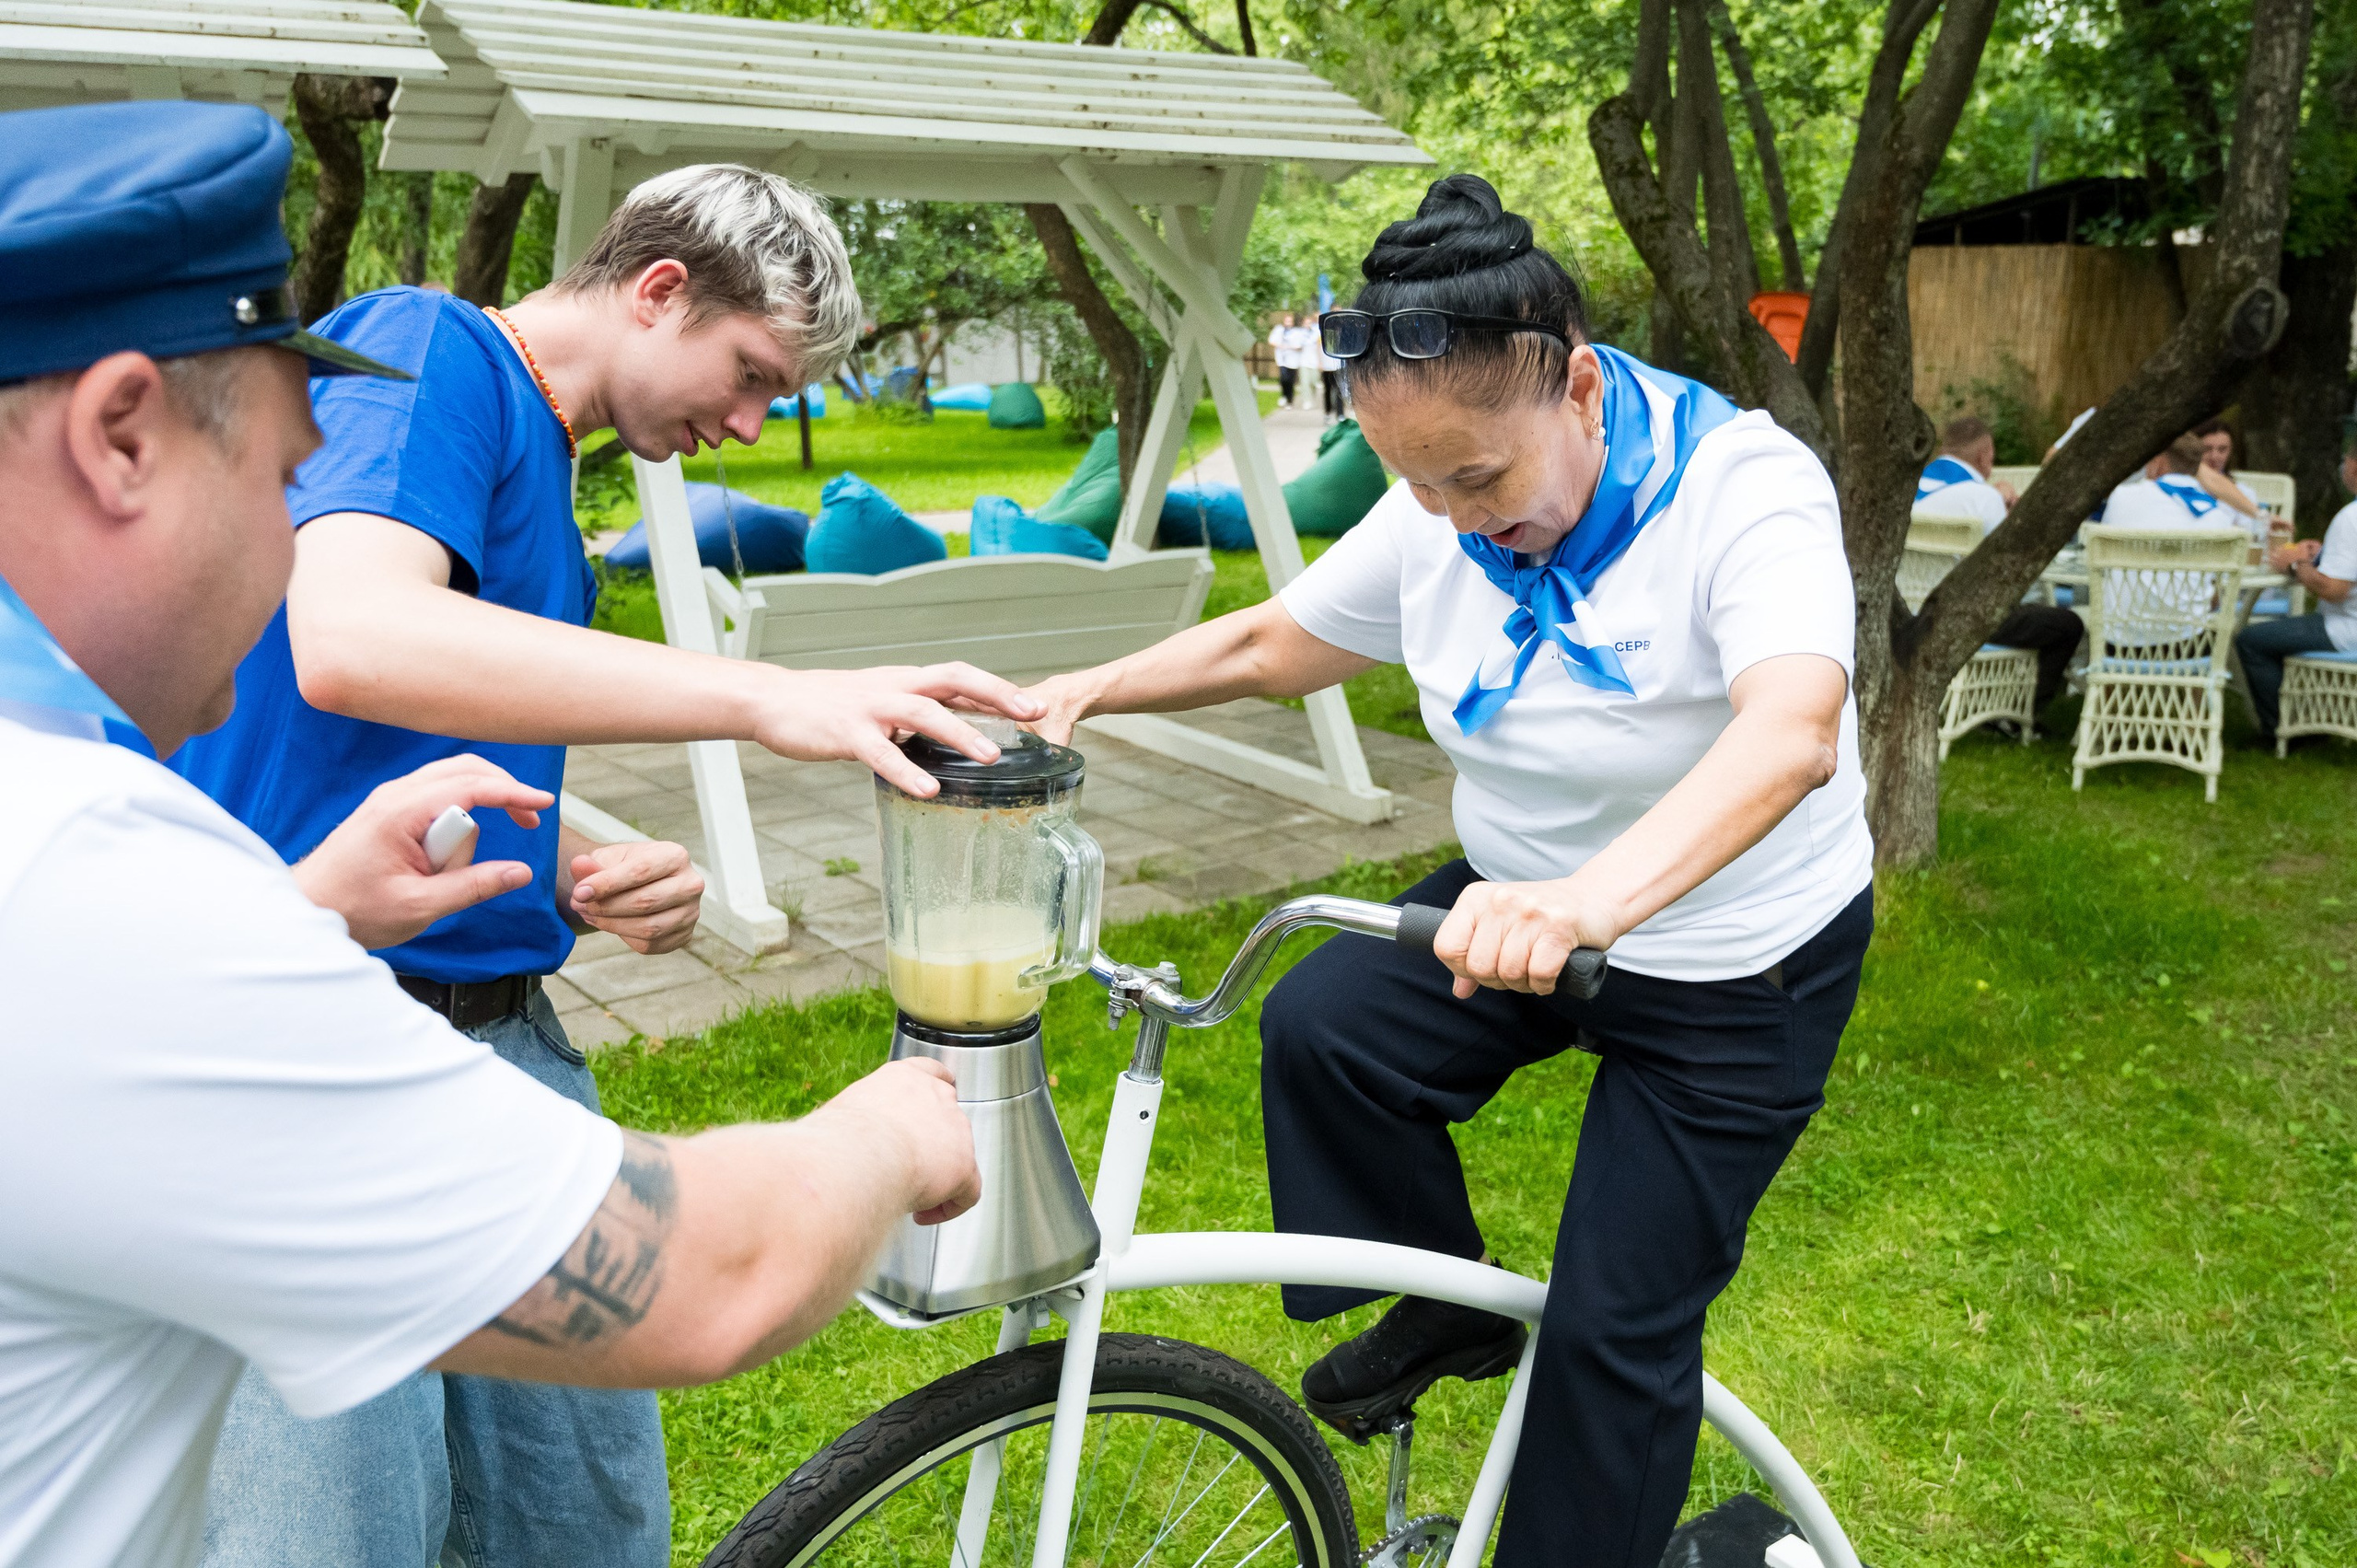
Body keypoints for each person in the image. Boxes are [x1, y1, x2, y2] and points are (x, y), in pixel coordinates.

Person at [0, 99, 997, 1568]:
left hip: (486, 1020)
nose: (741, 426)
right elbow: (347, 637)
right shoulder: (428, 343)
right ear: (660, 289)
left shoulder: (541, 453)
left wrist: (560, 886)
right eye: (750, 376)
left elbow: (377, 733)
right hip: (319, 1040)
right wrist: (772, 697)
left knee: (584, 1525)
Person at [1024, 175, 1875, 1568]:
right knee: (1324, 1027)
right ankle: (1452, 1312)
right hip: (1520, 899)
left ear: (1581, 386)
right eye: (1415, 484)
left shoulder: (1745, 487)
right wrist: (1082, 689)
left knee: (1615, 1327)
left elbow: (1789, 731)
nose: (1452, 519)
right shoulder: (1437, 501)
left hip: (1734, 960)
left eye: (1476, 477)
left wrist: (1591, 901)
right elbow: (1272, 644)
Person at [1914, 415, 2084, 726]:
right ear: (1984, 456)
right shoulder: (1982, 498)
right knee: (2067, 624)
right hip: (1964, 618)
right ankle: (2021, 716)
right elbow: (2014, 564)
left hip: (1911, 613)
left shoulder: (1913, 485)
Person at [2234, 441, 2357, 741]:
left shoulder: (2351, 518)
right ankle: (2310, 714)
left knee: (2251, 640)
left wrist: (2296, 564)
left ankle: (2284, 729)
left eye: (2346, 459)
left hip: (2346, 627)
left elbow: (2333, 589)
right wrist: (2323, 554)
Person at [1269, 310, 1301, 406]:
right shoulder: (1278, 330)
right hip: (1282, 360)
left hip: (1293, 360)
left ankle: (1290, 400)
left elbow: (1299, 346)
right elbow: (1271, 341)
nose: (1288, 323)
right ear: (1284, 322)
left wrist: (1291, 347)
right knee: (1284, 379)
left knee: (1290, 381)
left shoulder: (1296, 332)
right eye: (1287, 321)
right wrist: (1280, 345)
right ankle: (1284, 396)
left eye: (1290, 321)